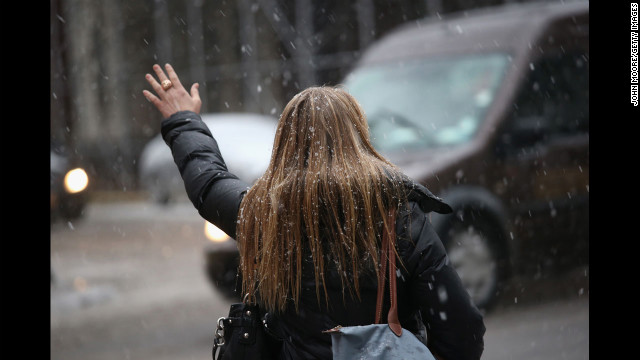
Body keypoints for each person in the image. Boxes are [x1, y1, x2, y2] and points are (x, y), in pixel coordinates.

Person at [143, 63, 486, 360]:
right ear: (358, 137)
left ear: (285, 144)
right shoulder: (399, 215)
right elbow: (462, 331)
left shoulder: (262, 215)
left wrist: (183, 120)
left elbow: (207, 182)